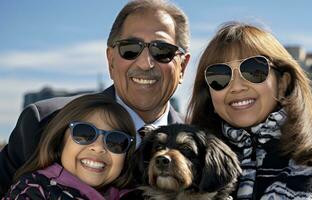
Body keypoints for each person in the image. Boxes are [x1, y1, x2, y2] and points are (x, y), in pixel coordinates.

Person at [0, 0, 190, 195]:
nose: (145, 63)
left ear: (182, 66)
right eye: (130, 49)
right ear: (111, 60)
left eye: (162, 51)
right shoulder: (44, 121)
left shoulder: (207, 142)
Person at [187, 21, 312, 199]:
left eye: (253, 70)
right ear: (209, 93)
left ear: (282, 83)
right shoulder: (187, 166)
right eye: (219, 76)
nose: (236, 86)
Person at [2, 94, 137, 199]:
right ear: (60, 140)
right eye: (84, 134)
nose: (98, 148)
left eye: (116, 141)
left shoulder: (134, 195)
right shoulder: (33, 191)